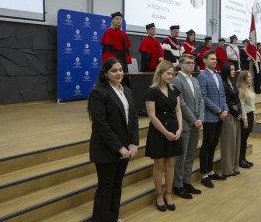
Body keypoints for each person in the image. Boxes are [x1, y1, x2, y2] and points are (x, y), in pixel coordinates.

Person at [87, 58, 139, 222]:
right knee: (106, 187)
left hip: (125, 148)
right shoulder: (99, 92)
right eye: (114, 70)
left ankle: (112, 217)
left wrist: (133, 142)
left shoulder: (127, 90)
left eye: (120, 69)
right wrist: (119, 147)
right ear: (105, 73)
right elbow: (100, 125)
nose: (119, 73)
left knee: (117, 185)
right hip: (106, 149)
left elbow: (134, 118)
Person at [144, 61, 183, 212]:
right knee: (159, 164)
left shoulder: (174, 90)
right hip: (159, 131)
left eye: (172, 74)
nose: (171, 76)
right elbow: (152, 116)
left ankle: (168, 194)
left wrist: (179, 129)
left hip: (173, 129)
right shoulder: (151, 91)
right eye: (168, 73)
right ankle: (158, 195)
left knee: (171, 163)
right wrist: (166, 133)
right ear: (160, 73)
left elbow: (178, 111)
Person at [172, 54, 204, 199]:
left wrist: (200, 118)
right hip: (185, 123)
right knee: (181, 156)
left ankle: (186, 181)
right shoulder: (176, 80)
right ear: (180, 64)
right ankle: (177, 185)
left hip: (196, 123)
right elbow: (181, 103)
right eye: (188, 63)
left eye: (193, 63)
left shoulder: (195, 80)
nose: (192, 65)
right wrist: (193, 119)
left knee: (190, 154)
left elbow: (201, 100)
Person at [197, 50, 228, 188]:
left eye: (215, 59)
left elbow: (222, 95)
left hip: (221, 115)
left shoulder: (218, 76)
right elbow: (203, 97)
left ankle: (210, 170)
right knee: (207, 144)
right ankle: (203, 174)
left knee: (214, 143)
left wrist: (225, 109)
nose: (215, 61)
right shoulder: (202, 76)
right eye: (212, 59)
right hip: (210, 116)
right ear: (204, 61)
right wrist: (218, 110)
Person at [220, 62, 244, 176]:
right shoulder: (223, 84)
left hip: (236, 114)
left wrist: (239, 111)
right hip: (229, 114)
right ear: (226, 71)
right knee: (229, 142)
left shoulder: (233, 84)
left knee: (236, 141)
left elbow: (238, 99)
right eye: (232, 70)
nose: (234, 71)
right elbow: (226, 102)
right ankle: (227, 169)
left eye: (234, 69)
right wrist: (235, 113)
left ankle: (235, 167)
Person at [100, 12, 132, 86]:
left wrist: (127, 60)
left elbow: (126, 49)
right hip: (114, 59)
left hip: (123, 60)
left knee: (124, 79)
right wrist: (110, 61)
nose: (118, 20)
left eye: (120, 19)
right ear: (113, 21)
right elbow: (107, 50)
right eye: (116, 19)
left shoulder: (123, 34)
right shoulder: (108, 32)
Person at [237, 70, 256, 168]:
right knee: (242, 139)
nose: (251, 78)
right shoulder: (241, 90)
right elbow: (242, 106)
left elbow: (252, 104)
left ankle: (243, 158)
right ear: (243, 78)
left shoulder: (250, 88)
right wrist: (245, 120)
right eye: (249, 77)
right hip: (245, 116)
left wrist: (254, 116)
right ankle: (240, 160)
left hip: (251, 114)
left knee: (245, 139)